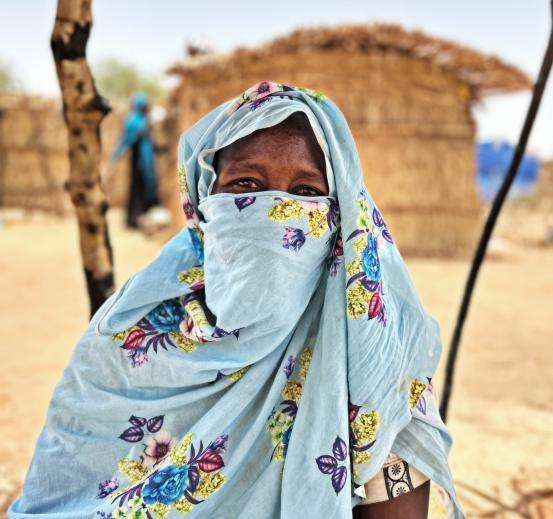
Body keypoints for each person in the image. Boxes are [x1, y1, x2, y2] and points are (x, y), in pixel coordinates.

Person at [10, 82, 462, 518]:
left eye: (305, 192)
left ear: (341, 215)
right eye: (246, 186)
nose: (275, 210)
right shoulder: (132, 331)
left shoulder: (374, 356)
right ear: (203, 201)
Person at [111, 92, 159, 228]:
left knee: (145, 188)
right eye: (144, 105)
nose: (146, 108)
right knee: (136, 189)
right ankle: (133, 220)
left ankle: (142, 219)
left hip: (146, 161)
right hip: (137, 160)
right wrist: (116, 154)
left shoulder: (145, 120)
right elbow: (126, 139)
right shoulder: (133, 121)